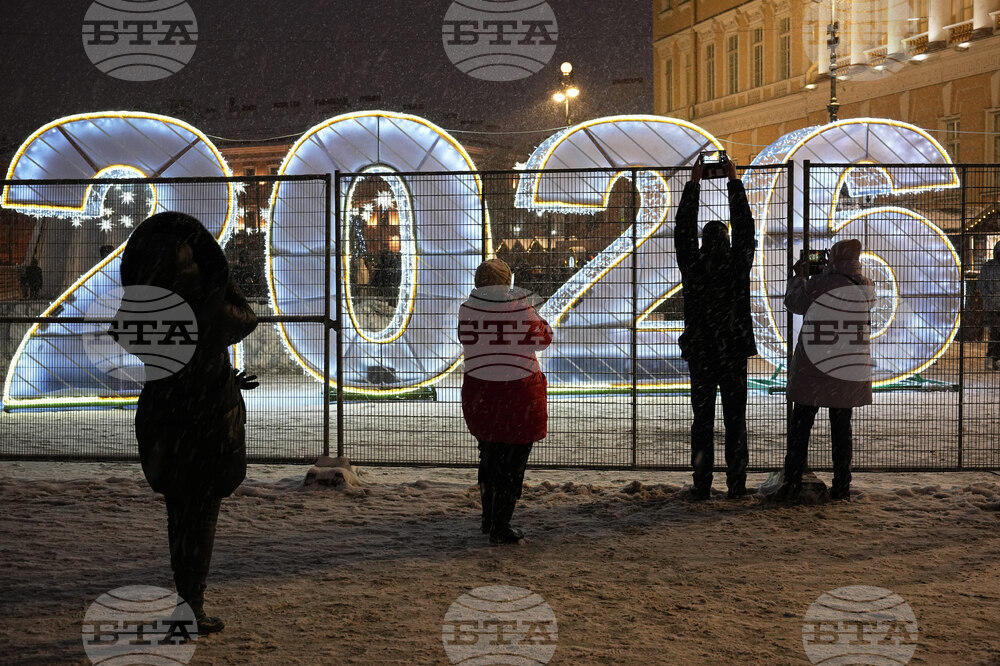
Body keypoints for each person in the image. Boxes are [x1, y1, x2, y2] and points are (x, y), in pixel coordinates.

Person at [120, 211, 258, 633]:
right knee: (202, 518)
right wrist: (220, 277)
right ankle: (190, 604)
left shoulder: (143, 312)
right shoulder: (209, 307)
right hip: (207, 426)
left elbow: (176, 360)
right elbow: (247, 318)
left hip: (166, 422)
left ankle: (187, 600)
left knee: (179, 516)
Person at [674, 154, 758, 499]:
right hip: (734, 350)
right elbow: (747, 227)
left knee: (702, 421)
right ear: (727, 241)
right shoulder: (738, 265)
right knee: (735, 421)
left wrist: (693, 183)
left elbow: (682, 229)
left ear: (702, 242)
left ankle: (701, 483)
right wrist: (733, 180)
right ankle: (737, 484)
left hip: (703, 352)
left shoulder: (693, 267)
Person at [458, 258, 552, 545]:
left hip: (482, 390)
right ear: (508, 281)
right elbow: (543, 338)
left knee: (489, 456)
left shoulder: (467, 309)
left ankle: (489, 518)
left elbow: (467, 338)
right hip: (518, 391)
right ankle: (502, 524)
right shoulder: (521, 307)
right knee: (513, 463)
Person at [777, 239, 876, 501]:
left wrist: (799, 277)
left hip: (815, 366)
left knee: (801, 426)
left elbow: (794, 303)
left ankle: (793, 481)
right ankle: (842, 485)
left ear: (832, 258)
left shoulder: (818, 284)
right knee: (842, 430)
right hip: (846, 369)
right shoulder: (865, 286)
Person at [979, 240, 1000, 370]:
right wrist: (989, 299)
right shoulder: (989, 267)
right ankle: (991, 357)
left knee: (996, 332)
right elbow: (982, 285)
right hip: (993, 306)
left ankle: (994, 358)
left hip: (992, 303)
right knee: (996, 332)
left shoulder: (988, 267)